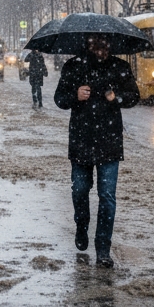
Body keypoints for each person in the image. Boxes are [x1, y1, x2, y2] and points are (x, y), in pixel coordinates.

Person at [54, 33, 139, 268]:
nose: (100, 47)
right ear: (87, 43)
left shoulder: (119, 67)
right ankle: (82, 226)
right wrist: (76, 95)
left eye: (104, 43)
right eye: (94, 43)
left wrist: (116, 97)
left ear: (110, 45)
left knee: (107, 196)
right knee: (80, 190)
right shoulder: (74, 66)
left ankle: (103, 248)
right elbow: (59, 99)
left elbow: (134, 96)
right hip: (81, 139)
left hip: (109, 140)